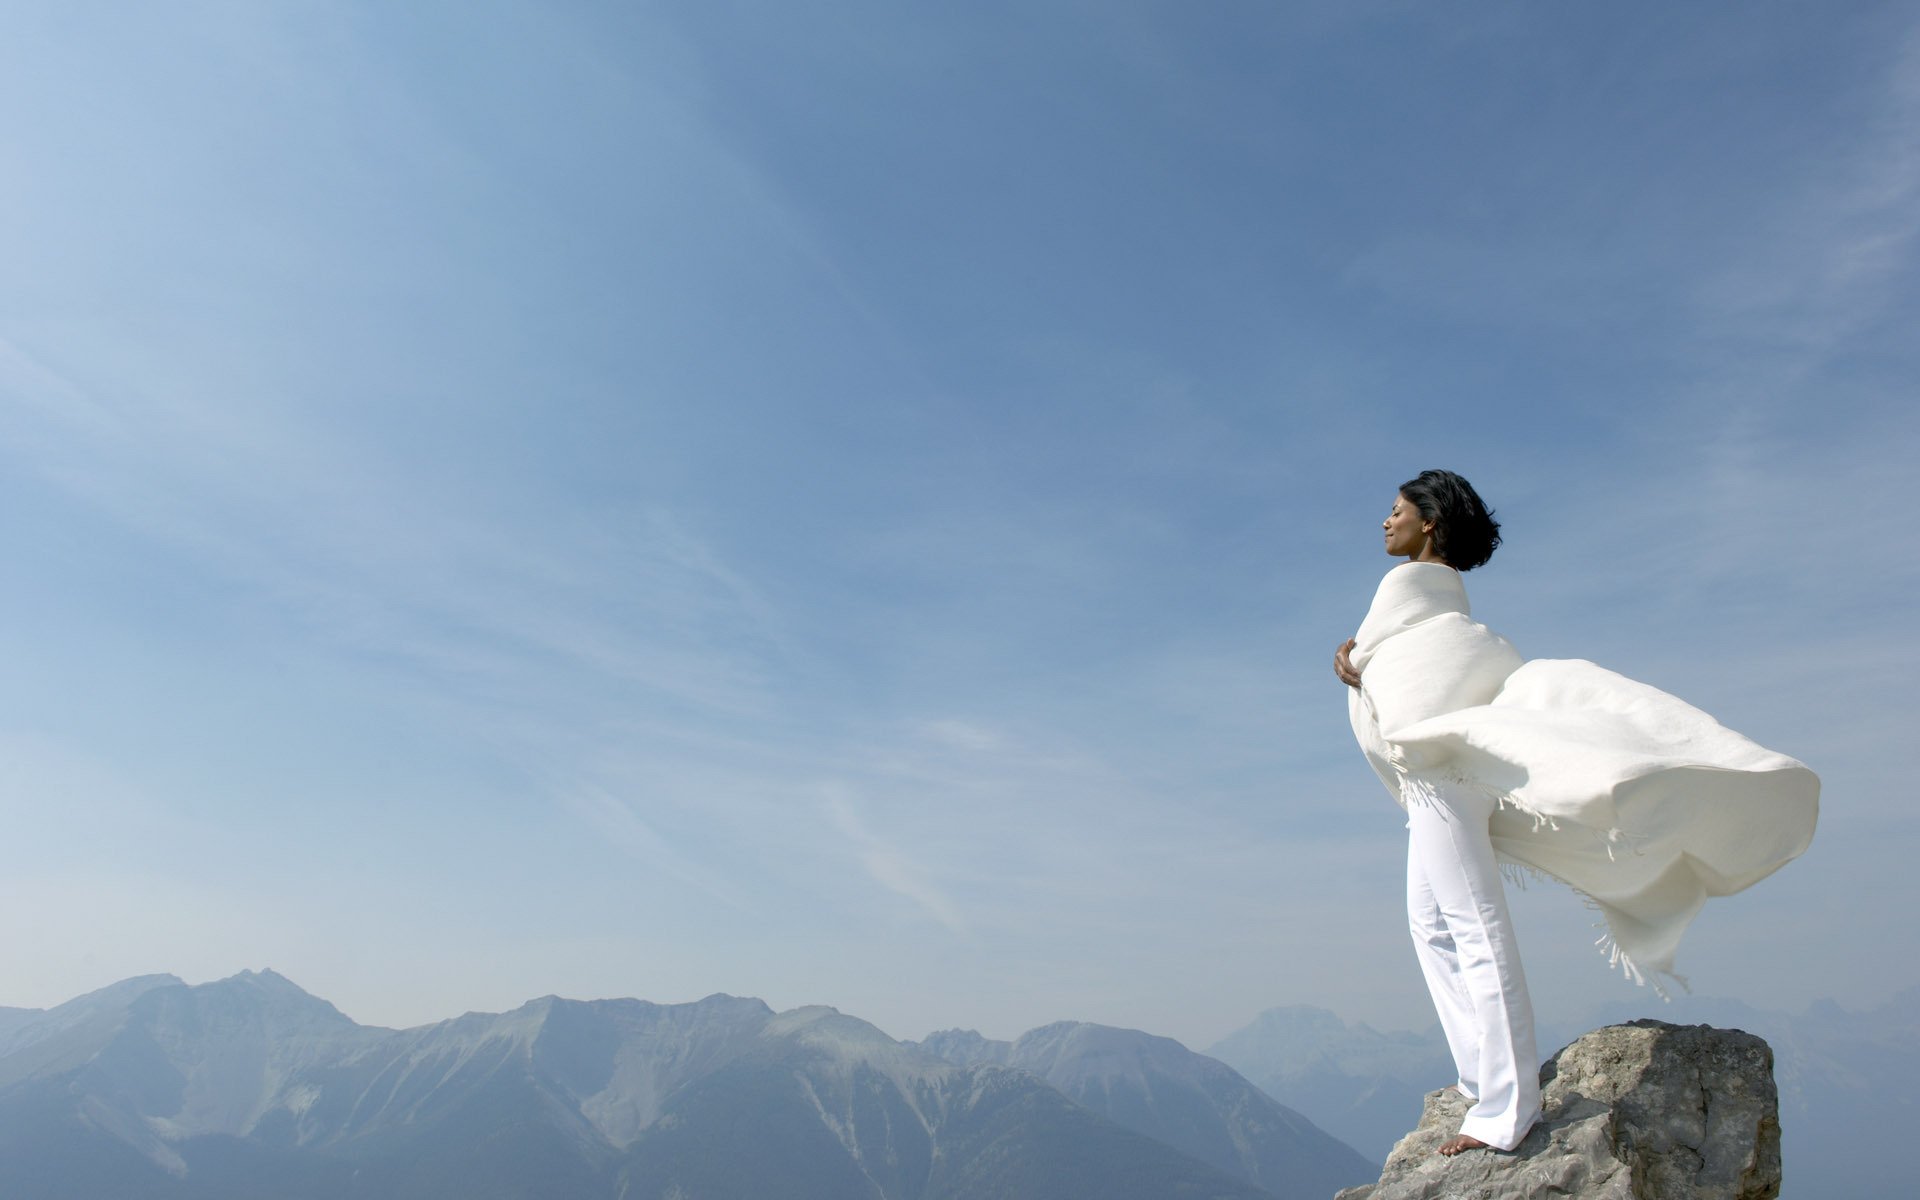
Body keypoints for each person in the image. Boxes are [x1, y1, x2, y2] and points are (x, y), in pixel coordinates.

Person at [1334, 469, 1817, 1157]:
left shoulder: (1437, 618)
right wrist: (1357, 666)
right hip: (1432, 784)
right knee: (1430, 924)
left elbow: (1421, 685)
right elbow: (1390, 663)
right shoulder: (1438, 619)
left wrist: (1368, 671)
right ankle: (1481, 1076)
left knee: (1473, 925)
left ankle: (1508, 1108)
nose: (1385, 522)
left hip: (1443, 779)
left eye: (1396, 510)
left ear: (1430, 522)